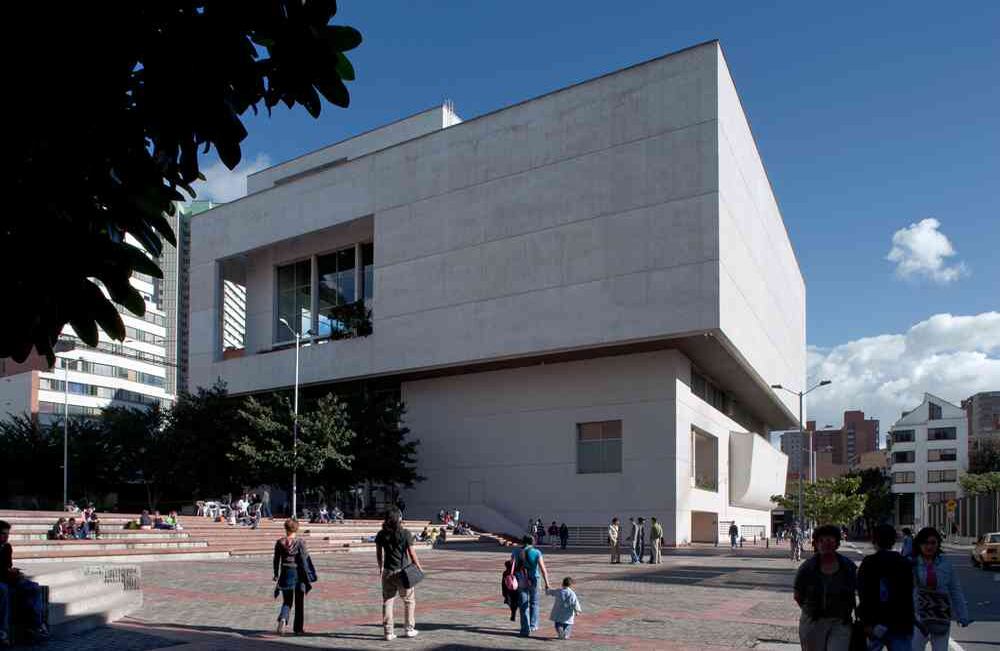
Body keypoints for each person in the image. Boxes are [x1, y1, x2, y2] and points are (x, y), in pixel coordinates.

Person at [793, 524, 857, 651]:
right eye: (821, 540)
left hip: (840, 622)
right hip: (814, 622)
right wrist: (812, 609)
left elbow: (855, 591)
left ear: (837, 544)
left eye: (830, 540)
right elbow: (798, 595)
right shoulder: (807, 568)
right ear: (815, 544)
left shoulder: (848, 566)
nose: (826, 544)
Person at [857, 524, 914, 651]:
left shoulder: (869, 563)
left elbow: (863, 593)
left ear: (874, 540)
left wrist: (866, 621)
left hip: (875, 622)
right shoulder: (904, 563)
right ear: (894, 541)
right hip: (901, 622)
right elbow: (909, 594)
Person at [911, 527, 970, 651]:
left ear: (938, 544)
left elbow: (955, 590)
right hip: (918, 617)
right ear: (919, 544)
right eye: (925, 543)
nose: (929, 546)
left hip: (940, 615)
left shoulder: (946, 564)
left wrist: (963, 615)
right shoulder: (911, 563)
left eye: (933, 542)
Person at [376, 508, 423, 641]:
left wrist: (380, 567)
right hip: (403, 572)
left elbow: (379, 554)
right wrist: (418, 566)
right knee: (408, 600)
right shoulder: (405, 533)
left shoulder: (381, 534)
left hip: (388, 571)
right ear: (399, 518)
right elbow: (411, 553)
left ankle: (388, 632)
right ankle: (409, 629)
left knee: (388, 601)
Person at [0, 520, 49, 645]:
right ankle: (3, 631)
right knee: (3, 590)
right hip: (2, 581)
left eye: (7, 534)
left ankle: (36, 625)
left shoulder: (7, 547)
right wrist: (8, 572)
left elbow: (7, 566)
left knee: (34, 587)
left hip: (7, 578)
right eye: (3, 534)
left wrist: (13, 572)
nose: (6, 537)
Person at [272, 518, 315, 636]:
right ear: (296, 528)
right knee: (299, 602)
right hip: (299, 573)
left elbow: (276, 560)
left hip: (285, 573)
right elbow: (305, 559)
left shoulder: (279, 542)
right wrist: (309, 575)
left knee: (287, 601)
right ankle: (298, 628)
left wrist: (276, 573)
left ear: (285, 529)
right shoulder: (300, 542)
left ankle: (283, 619)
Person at [511, 535, 551, 637]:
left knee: (523, 604)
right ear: (532, 542)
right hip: (534, 579)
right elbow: (543, 569)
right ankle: (533, 625)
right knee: (534, 603)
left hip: (521, 579)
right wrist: (547, 583)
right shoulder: (537, 552)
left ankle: (525, 629)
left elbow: (512, 566)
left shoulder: (515, 551)